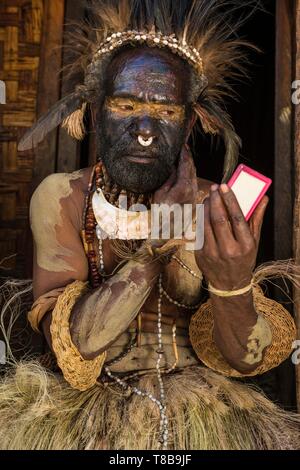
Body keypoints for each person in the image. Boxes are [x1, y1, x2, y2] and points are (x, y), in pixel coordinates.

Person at [0, 0, 299, 450]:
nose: (145, 129)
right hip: (87, 421)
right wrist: (157, 245)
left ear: (190, 121)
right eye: (126, 103)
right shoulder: (63, 198)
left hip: (209, 419)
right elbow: (75, 349)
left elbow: (244, 357)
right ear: (94, 111)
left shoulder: (213, 203)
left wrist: (233, 285)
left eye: (166, 111)